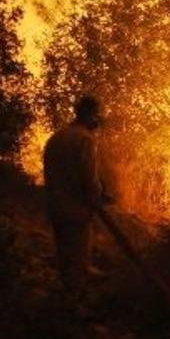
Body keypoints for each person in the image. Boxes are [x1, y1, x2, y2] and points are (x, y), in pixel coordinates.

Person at [43, 95, 111, 296]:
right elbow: (88, 177)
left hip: (55, 204)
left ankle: (68, 287)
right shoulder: (85, 140)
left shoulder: (57, 137)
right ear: (90, 115)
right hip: (75, 209)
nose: (100, 120)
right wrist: (99, 197)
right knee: (77, 252)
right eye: (98, 115)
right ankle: (74, 300)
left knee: (64, 250)